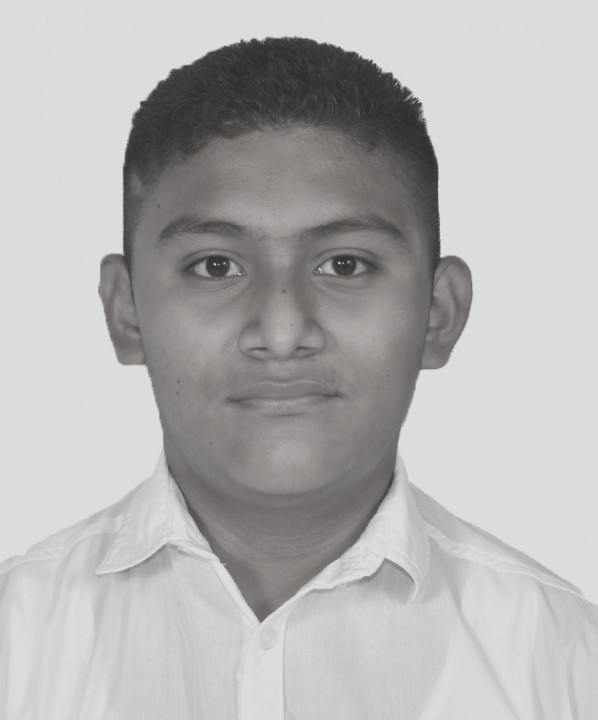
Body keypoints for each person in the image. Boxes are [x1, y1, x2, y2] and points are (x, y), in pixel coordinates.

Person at [0, 35, 596, 720]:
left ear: (438, 312)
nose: (282, 333)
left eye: (344, 265)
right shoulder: (17, 646)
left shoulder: (567, 666)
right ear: (126, 310)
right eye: (216, 266)